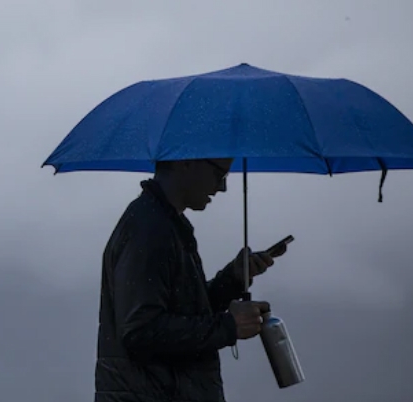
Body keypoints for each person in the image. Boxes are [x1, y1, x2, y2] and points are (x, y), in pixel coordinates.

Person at [95, 158, 288, 402]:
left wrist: (232, 279)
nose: (222, 188)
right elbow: (140, 330)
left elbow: (179, 310)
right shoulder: (149, 230)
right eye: (220, 174)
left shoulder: (165, 223)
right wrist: (228, 326)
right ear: (186, 162)